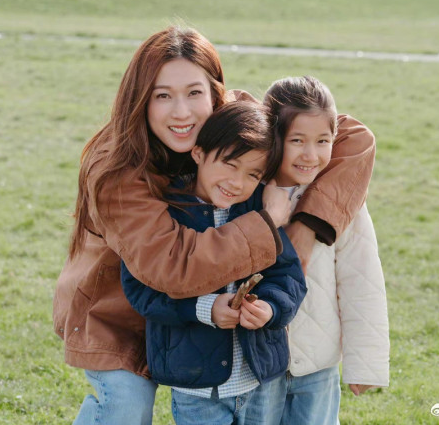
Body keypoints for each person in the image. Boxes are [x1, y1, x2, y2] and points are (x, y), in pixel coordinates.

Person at [52, 26, 376, 425]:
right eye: (162, 96)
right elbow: (175, 267)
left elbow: (354, 138)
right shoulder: (116, 170)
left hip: (200, 327)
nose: (182, 112)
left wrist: (305, 229)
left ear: (216, 93)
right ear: (140, 100)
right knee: (125, 407)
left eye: (194, 93)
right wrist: (267, 223)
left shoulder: (230, 124)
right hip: (121, 312)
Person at [121, 101, 307, 425]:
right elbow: (141, 289)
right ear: (198, 153)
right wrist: (204, 309)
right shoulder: (167, 212)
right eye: (229, 165)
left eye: (253, 174)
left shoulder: (257, 210)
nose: (237, 182)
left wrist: (271, 308)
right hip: (196, 386)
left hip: (262, 379)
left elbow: (288, 275)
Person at [245, 76, 390, 425]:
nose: (311, 155)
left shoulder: (343, 203)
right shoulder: (245, 193)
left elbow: (361, 281)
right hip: (258, 365)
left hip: (318, 367)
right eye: (297, 141)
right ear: (272, 137)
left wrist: (365, 363)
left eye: (323, 141)